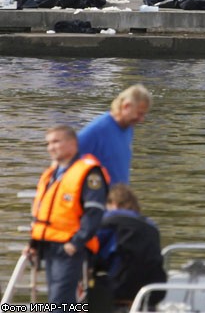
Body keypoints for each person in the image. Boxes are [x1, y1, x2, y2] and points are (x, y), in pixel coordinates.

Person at [24, 125, 109, 305]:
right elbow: (42, 212)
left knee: (60, 300)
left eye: (56, 141)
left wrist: (76, 242)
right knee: (57, 298)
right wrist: (33, 243)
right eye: (48, 143)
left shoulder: (88, 173)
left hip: (70, 247)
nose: (51, 147)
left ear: (72, 143)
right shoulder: (52, 174)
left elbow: (94, 212)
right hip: (48, 245)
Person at [89, 183, 167, 312]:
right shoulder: (152, 225)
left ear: (112, 203)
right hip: (155, 290)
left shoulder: (106, 221)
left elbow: (90, 251)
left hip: (120, 289)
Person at [78, 84, 152, 185]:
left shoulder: (128, 128)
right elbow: (67, 157)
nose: (141, 119)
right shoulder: (98, 129)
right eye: (139, 113)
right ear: (126, 106)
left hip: (120, 198)